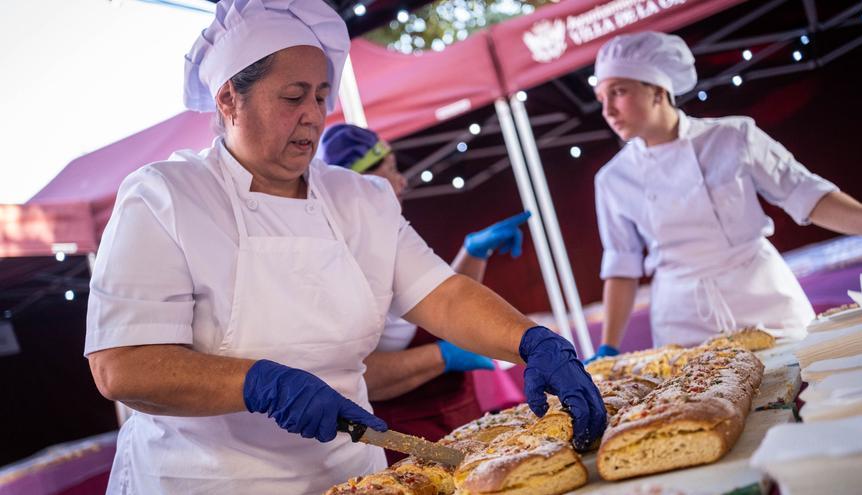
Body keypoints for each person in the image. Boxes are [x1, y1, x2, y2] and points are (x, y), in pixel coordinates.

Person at [83, 2, 606, 494]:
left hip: (353, 476)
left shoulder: (361, 198)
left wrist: (532, 340)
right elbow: (122, 366)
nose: (313, 114)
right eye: (293, 97)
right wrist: (260, 383)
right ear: (228, 98)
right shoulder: (165, 196)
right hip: (208, 481)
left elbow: (442, 295)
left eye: (320, 96)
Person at [587, 31, 862, 358]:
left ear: (657, 90)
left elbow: (807, 195)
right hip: (682, 319)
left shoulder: (733, 136)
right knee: (706, 405)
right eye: (601, 98)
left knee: (812, 383)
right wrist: (608, 346)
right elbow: (621, 266)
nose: (609, 110)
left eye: (619, 92)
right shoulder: (613, 179)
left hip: (763, 297)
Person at [318, 123, 531, 463]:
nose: (402, 182)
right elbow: (350, 375)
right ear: (357, 183)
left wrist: (472, 254)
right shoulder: (333, 263)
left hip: (457, 413)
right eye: (390, 171)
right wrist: (442, 356)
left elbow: (441, 304)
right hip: (401, 432)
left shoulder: (390, 235)